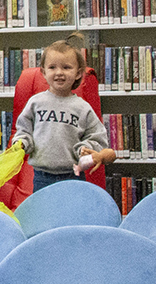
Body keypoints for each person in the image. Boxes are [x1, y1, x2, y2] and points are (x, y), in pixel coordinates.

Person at [10, 34, 111, 192]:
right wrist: (22, 143)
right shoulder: (35, 103)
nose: (59, 73)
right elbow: (23, 130)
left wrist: (85, 148)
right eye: (52, 67)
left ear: (78, 73)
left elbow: (98, 137)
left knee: (70, 215)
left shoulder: (82, 107)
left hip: (73, 175)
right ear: (43, 72)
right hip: (42, 176)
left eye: (66, 67)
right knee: (44, 214)